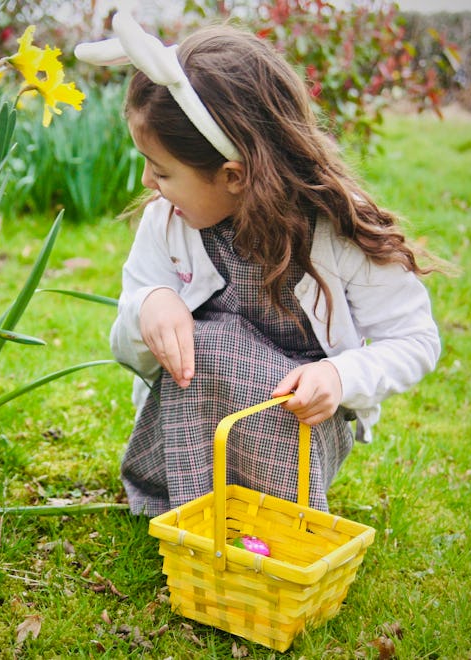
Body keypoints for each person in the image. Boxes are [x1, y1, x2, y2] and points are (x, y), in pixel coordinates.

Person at [75, 13, 441, 516]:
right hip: (183, 430)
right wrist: (148, 307)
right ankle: (184, 505)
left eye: (161, 170)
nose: (146, 182)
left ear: (234, 176)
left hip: (292, 434)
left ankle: (271, 515)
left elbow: (416, 341)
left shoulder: (336, 228)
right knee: (207, 342)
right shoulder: (167, 223)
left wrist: (338, 376)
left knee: (217, 343)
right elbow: (127, 347)